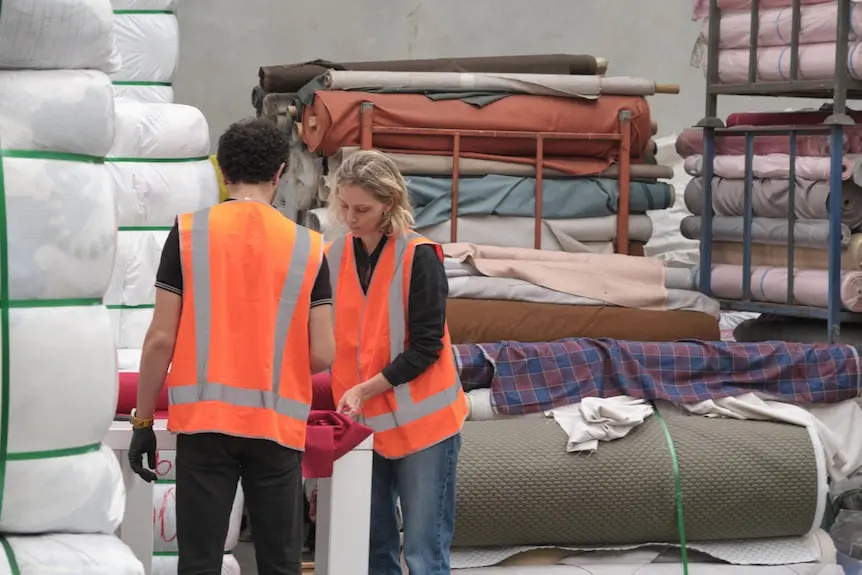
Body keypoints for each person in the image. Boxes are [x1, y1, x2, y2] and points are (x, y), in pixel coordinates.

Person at [127, 118, 335, 575]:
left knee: (199, 561)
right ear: (279, 173)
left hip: (204, 425)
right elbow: (323, 353)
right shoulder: (308, 246)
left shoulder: (187, 234)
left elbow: (160, 339)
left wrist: (143, 421)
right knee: (280, 563)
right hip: (276, 428)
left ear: (222, 172)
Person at [325, 149, 468, 575]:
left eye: (362, 208)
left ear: (389, 203)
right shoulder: (332, 257)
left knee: (424, 554)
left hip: (423, 427)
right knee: (372, 549)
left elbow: (427, 347)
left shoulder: (420, 256)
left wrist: (366, 389)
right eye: (344, 206)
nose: (350, 217)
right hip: (361, 424)